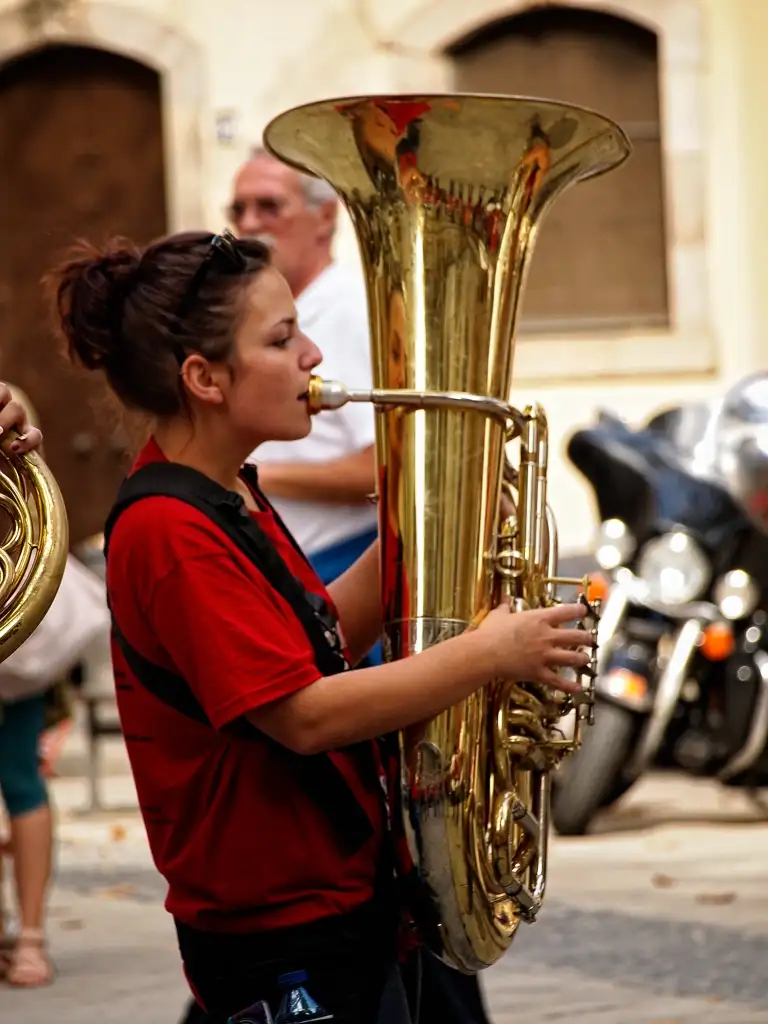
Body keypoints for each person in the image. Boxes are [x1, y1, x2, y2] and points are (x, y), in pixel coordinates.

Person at [45, 228, 591, 1024]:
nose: (312, 355)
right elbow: (301, 715)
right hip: (281, 929)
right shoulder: (169, 529)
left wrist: (424, 528)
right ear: (204, 378)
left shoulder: (227, 492)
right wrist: (492, 652)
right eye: (280, 339)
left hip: (335, 901)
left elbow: (317, 636)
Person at [228, 149, 379, 609]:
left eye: (269, 206)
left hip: (338, 567)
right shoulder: (287, 308)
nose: (249, 223)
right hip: (290, 570)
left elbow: (386, 467)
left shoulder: (351, 312)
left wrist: (246, 476)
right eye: (238, 209)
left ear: (326, 217)